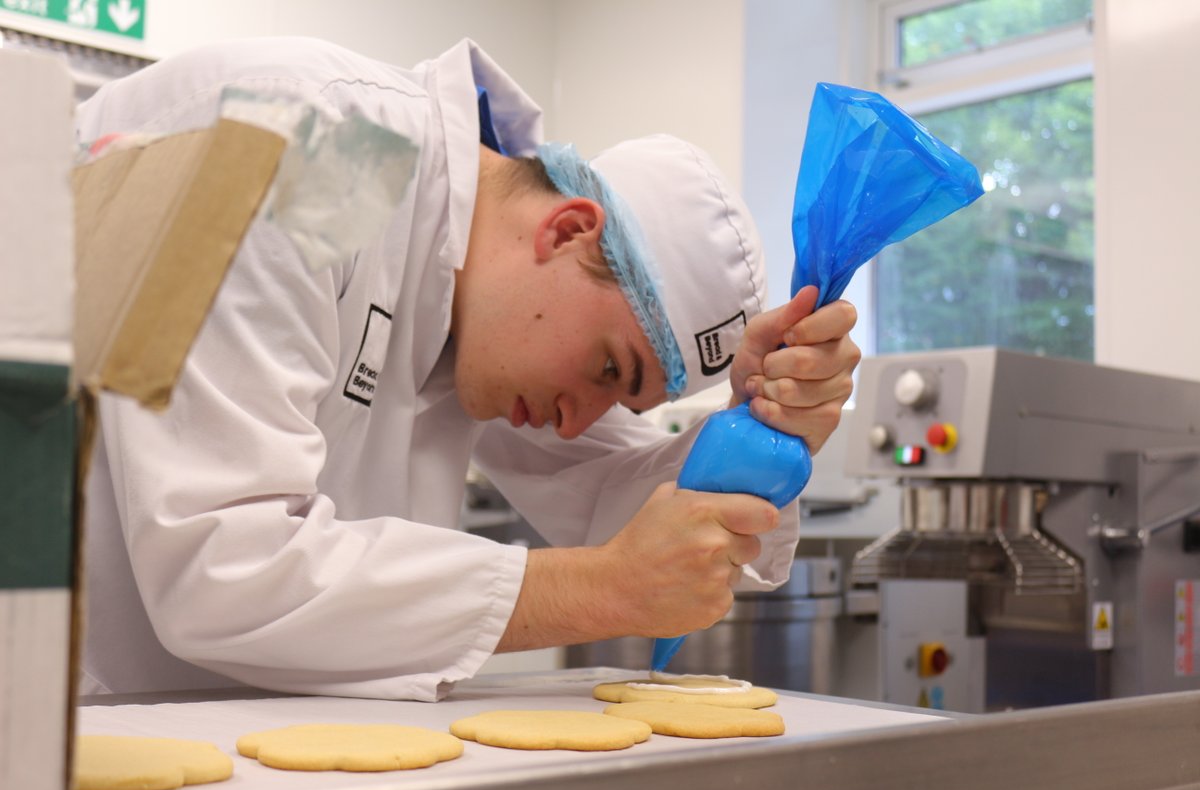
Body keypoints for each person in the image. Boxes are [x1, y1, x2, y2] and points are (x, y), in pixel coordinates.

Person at [76, 36, 859, 701]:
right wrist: (600, 590)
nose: (577, 421)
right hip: (72, 709)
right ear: (568, 230)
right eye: (608, 369)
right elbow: (223, 564)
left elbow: (612, 501)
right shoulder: (329, 153)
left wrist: (759, 430)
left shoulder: (479, 285)